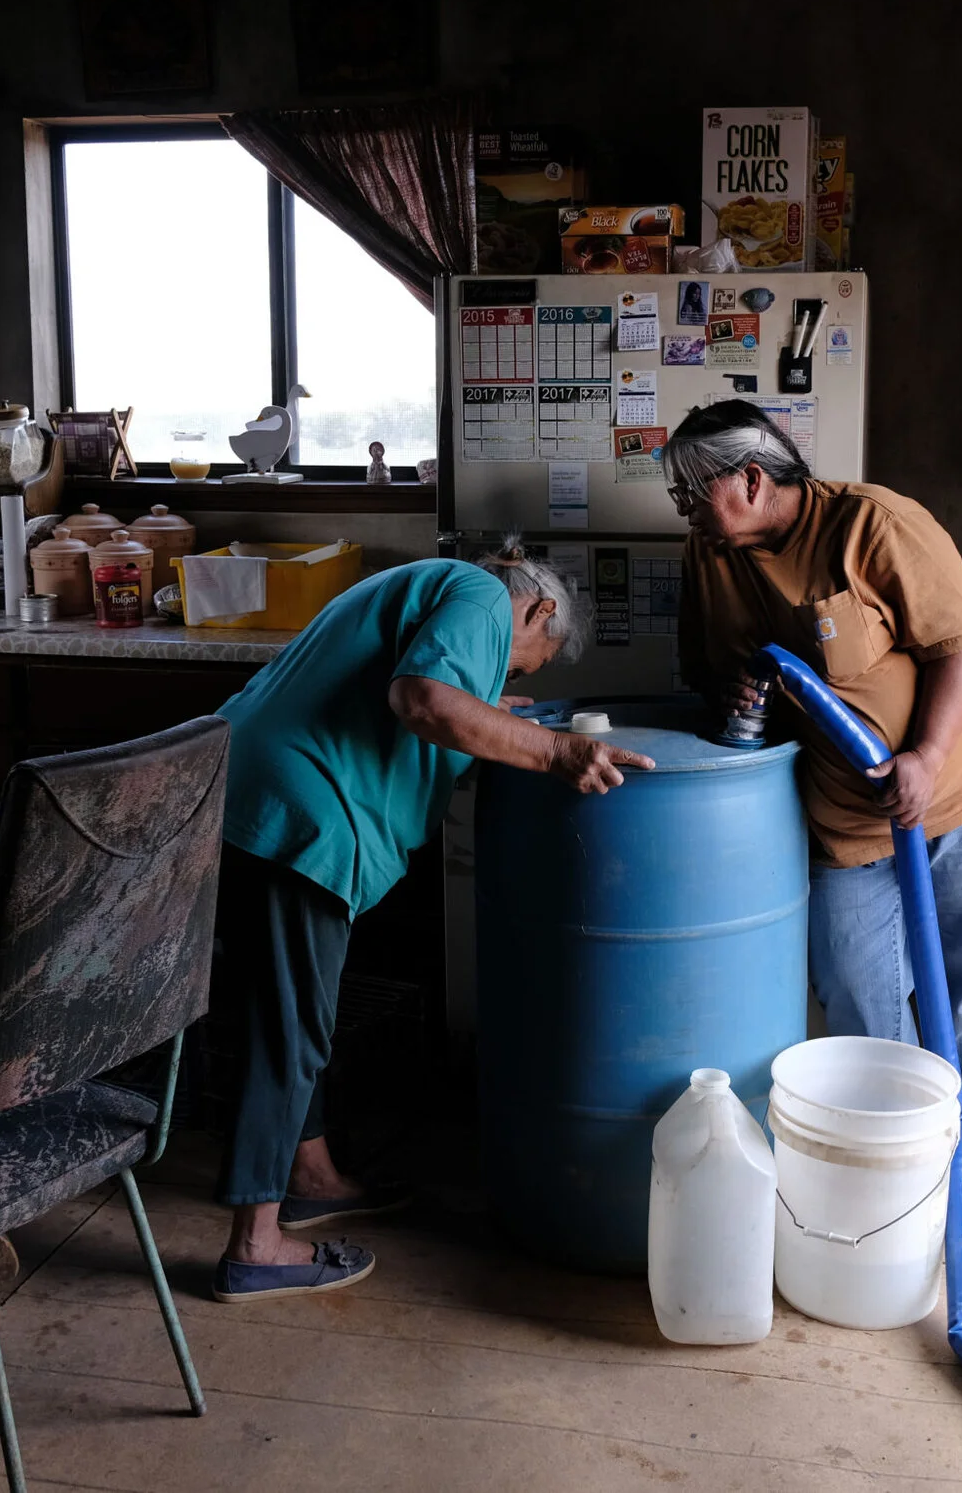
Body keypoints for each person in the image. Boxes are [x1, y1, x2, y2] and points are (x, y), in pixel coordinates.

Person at [208, 546, 652, 1302]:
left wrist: (488, 707)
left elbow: (430, 686)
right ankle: (255, 1243)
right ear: (538, 611)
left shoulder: (431, 584)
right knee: (289, 1024)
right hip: (300, 809)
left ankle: (310, 1176)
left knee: (280, 1004)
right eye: (521, 670)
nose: (508, 680)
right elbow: (424, 698)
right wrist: (556, 748)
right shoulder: (482, 596)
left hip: (249, 784)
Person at [669, 400, 962, 1128]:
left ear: (751, 478)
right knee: (857, 989)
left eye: (691, 493)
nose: (682, 511)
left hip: (959, 791)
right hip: (846, 821)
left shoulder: (871, 523)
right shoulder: (707, 556)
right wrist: (735, 690)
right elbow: (708, 671)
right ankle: (890, 1141)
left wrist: (925, 755)